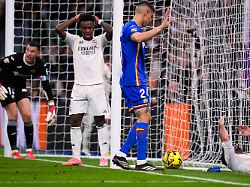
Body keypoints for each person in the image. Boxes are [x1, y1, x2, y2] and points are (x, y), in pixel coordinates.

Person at [112, 1, 172, 171]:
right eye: (150, 17)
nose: (150, 21)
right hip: (134, 79)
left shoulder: (136, 29)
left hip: (136, 79)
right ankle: (141, 162)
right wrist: (161, 27)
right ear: (145, 13)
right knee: (144, 116)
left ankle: (122, 155)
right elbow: (137, 38)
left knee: (144, 116)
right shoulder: (130, 27)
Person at [55, 13, 112, 167]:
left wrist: (98, 20)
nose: (87, 30)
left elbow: (111, 31)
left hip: (97, 86)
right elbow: (58, 29)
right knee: (75, 120)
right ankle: (76, 157)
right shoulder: (74, 40)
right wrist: (75, 18)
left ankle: (104, 156)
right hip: (79, 86)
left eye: (90, 27)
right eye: (84, 28)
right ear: (80, 28)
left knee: (100, 120)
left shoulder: (99, 40)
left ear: (93, 28)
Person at [0, 41, 56, 159]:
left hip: (20, 87)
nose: (29, 53)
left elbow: (45, 85)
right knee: (13, 115)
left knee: (27, 115)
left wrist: (52, 104)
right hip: (5, 86)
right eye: (28, 50)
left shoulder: (41, 65)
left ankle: (29, 150)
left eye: (32, 51)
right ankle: (14, 151)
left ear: (38, 53)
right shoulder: (14, 59)